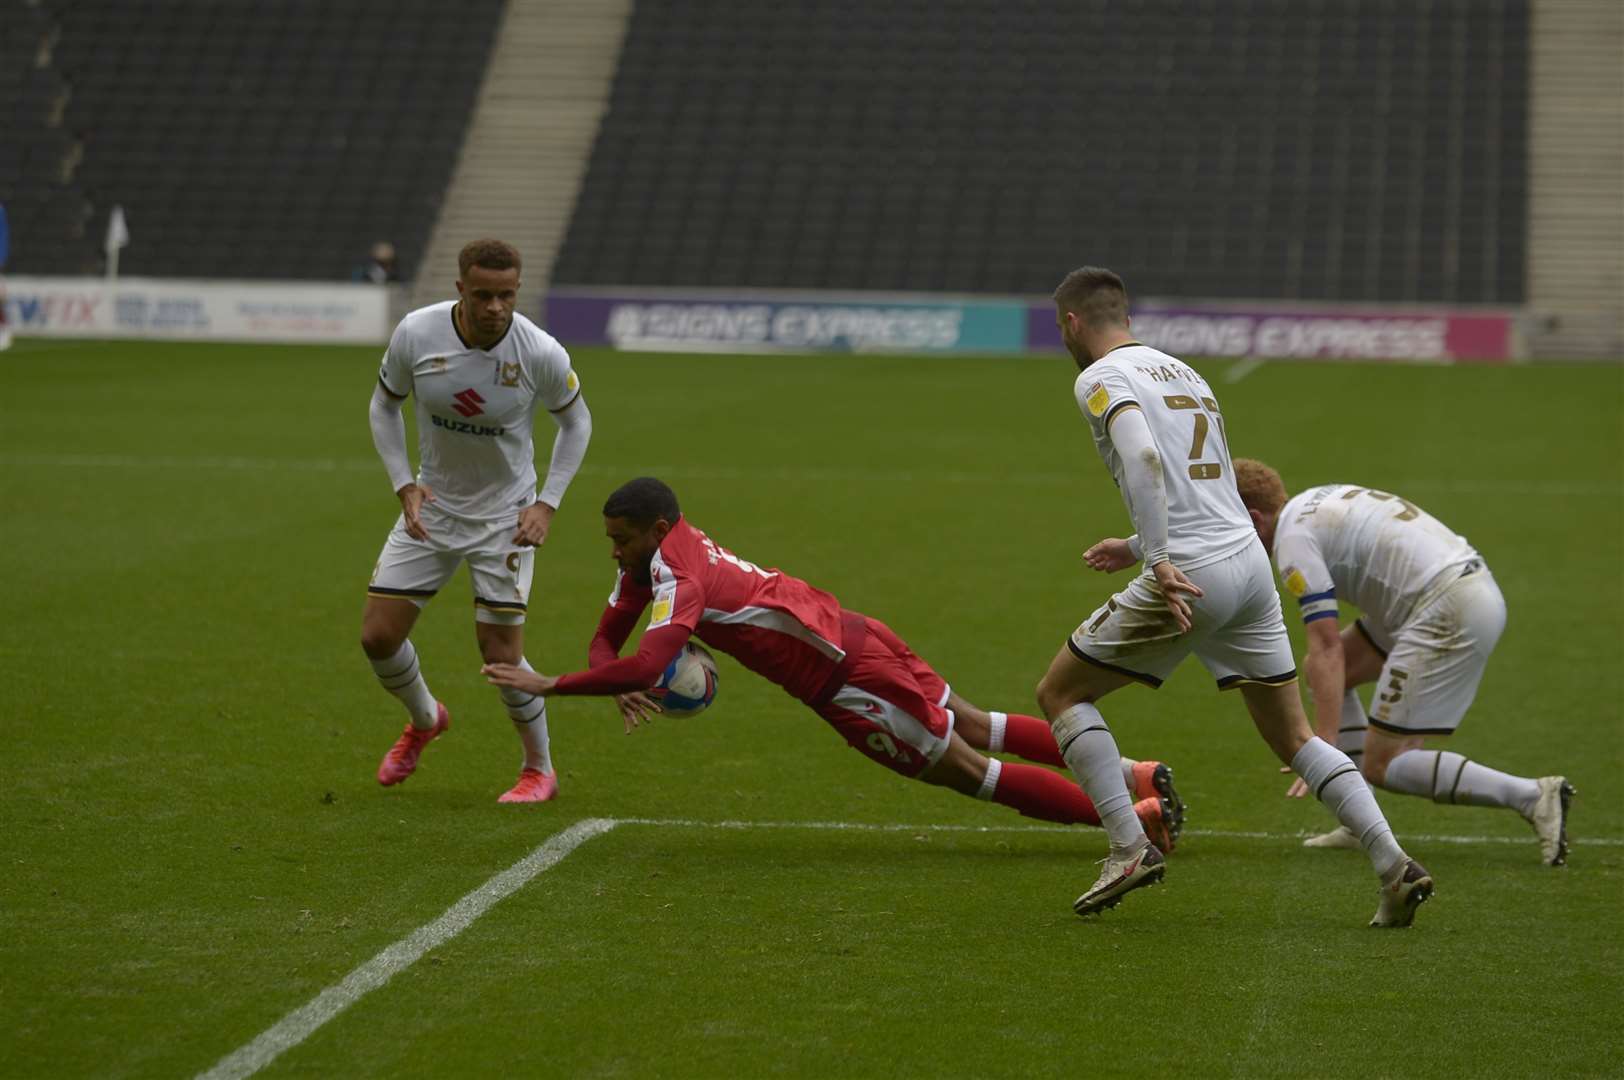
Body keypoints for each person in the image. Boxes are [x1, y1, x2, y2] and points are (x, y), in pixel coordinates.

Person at [1035, 266, 1432, 926]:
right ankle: (1394, 864)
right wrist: (1136, 546)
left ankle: (1129, 847)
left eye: (1061, 329)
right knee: (1296, 735)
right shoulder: (1184, 373)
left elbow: (1143, 459)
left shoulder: (1099, 378)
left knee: (1062, 693)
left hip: (1191, 570)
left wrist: (1156, 558)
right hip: (1248, 567)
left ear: (1074, 323)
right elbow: (1210, 488)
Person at [482, 477, 1187, 847]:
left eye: (621, 538)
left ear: (656, 531)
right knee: (970, 722)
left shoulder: (678, 578)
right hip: (854, 630)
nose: (614, 550)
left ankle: (1135, 817)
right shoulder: (664, 554)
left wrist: (550, 684)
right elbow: (612, 639)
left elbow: (642, 663)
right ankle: (1134, 773)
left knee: (973, 775)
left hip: (846, 682)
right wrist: (606, 672)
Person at [1232, 459, 1574, 864]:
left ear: (1254, 519)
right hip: (1451, 591)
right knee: (1326, 678)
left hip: (1446, 607)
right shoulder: (1313, 500)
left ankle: (1533, 796)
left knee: (1384, 763)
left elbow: (1326, 645)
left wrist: (1323, 743)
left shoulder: (1291, 543)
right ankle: (1358, 823)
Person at [362, 238, 592, 802]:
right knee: (377, 637)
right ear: (461, 289)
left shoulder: (539, 350)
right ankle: (425, 719)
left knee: (500, 655)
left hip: (504, 519)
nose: (496, 308)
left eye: (507, 295)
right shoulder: (417, 333)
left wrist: (546, 504)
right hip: (434, 508)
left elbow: (577, 424)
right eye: (484, 295)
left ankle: (539, 768)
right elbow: (383, 404)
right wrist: (403, 484)